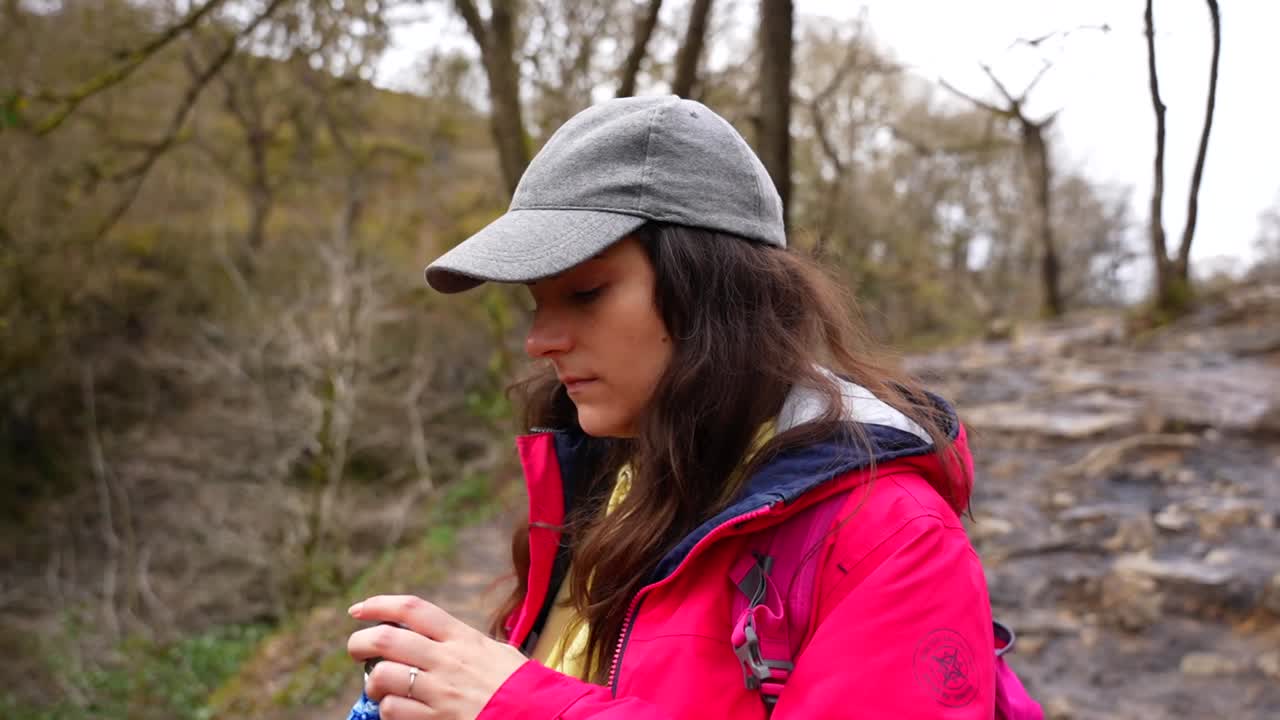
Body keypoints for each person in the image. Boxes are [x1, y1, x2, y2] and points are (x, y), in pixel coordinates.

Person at [345, 94, 997, 719]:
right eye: (536, 301)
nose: (538, 341)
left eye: (587, 293)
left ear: (712, 290)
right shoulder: (609, 483)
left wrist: (517, 703)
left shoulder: (891, 537)